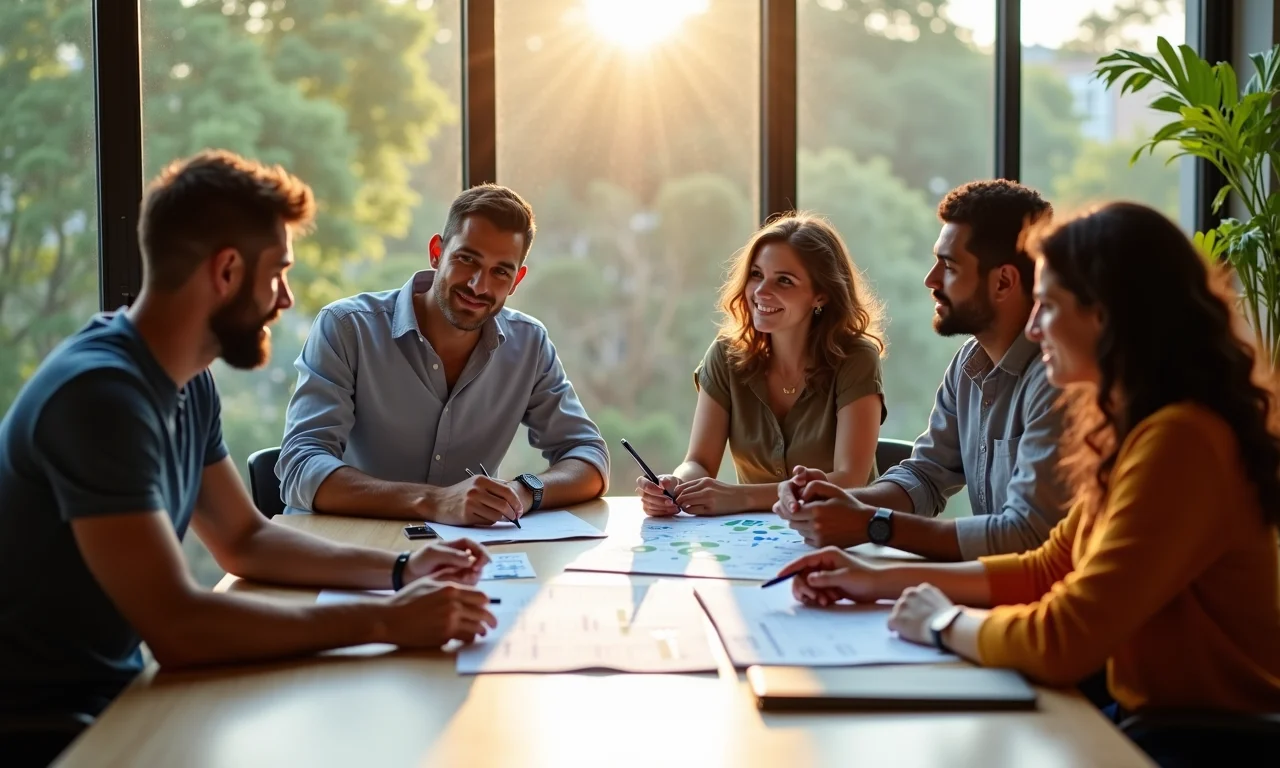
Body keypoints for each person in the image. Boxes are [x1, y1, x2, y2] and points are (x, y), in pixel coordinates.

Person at [0, 151, 498, 767]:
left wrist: (401, 569)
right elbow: (179, 628)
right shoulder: (99, 397)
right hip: (49, 732)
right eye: (278, 273)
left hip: (119, 699)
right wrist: (388, 623)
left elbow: (244, 539)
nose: (285, 298)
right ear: (227, 271)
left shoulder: (187, 379)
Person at [776, 202, 1280, 767]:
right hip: (1155, 722)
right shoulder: (1141, 429)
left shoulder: (1182, 441)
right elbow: (1047, 565)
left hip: (1207, 743)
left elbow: (1065, 639)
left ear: (1106, 316)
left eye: (1049, 305)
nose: (1036, 326)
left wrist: (941, 620)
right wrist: (873, 578)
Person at [277, 184, 609, 525]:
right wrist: (434, 502)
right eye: (467, 259)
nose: (479, 286)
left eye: (500, 271)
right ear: (437, 252)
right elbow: (301, 467)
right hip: (343, 548)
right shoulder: (347, 328)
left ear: (516, 281)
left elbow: (588, 456)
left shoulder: (529, 345)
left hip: (462, 557)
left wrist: (524, 492)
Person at [777, 179, 1070, 560]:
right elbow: (926, 475)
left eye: (948, 266)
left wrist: (871, 525)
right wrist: (842, 503)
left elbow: (1027, 536)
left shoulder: (1057, 380)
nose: (930, 280)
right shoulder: (969, 364)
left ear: (1003, 282)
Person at [636, 213, 886, 517]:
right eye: (756, 274)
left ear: (820, 295)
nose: (761, 292)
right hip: (753, 545)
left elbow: (849, 481)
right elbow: (699, 463)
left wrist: (741, 497)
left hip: (840, 537)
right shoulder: (725, 356)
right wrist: (675, 484)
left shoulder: (856, 359)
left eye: (784, 280)